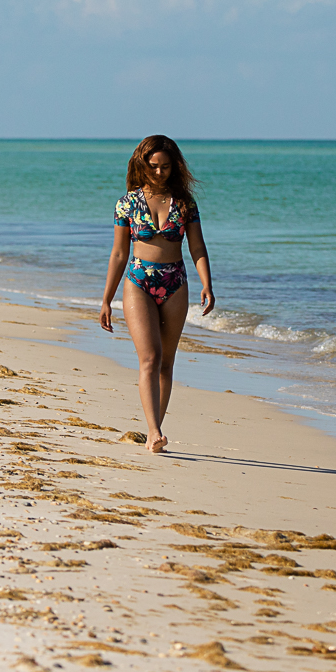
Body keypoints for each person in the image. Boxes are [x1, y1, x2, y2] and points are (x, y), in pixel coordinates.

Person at [99, 135, 215, 453]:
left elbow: (197, 247)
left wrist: (207, 283)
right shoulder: (126, 203)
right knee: (149, 357)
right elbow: (119, 254)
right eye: (153, 167)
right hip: (138, 282)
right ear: (142, 165)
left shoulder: (186, 204)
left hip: (175, 282)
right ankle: (153, 431)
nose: (160, 172)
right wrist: (107, 299)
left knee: (166, 361)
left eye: (165, 166)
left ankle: (156, 428)